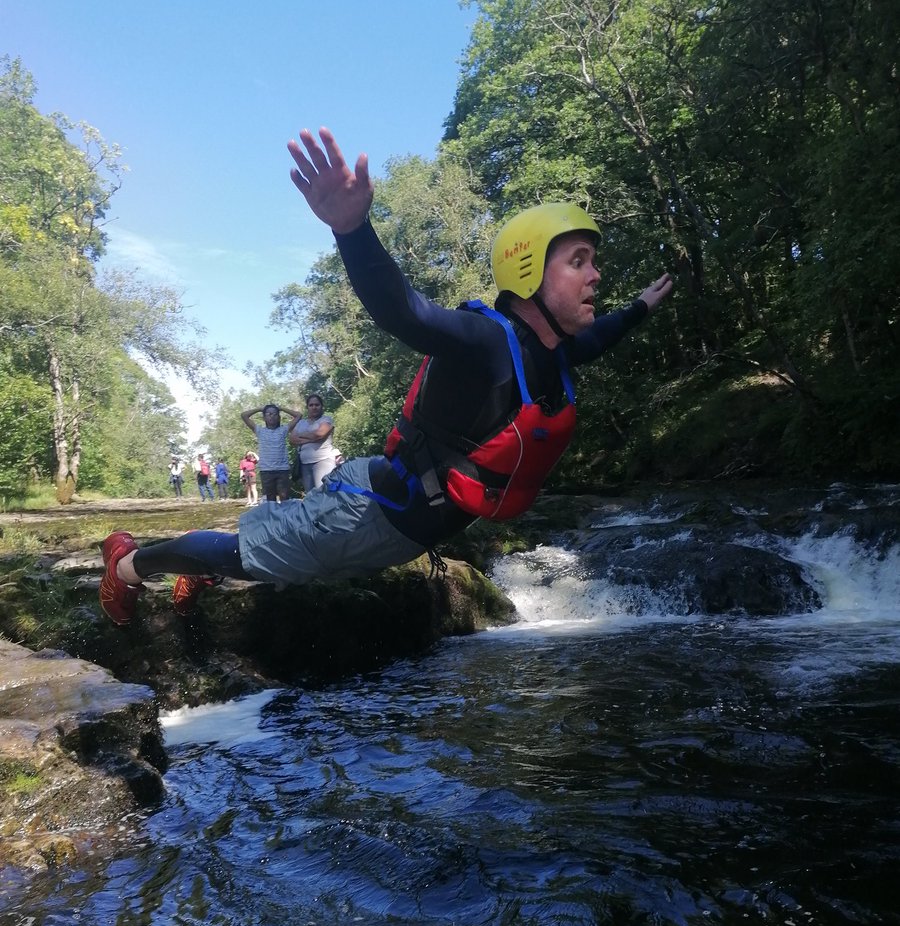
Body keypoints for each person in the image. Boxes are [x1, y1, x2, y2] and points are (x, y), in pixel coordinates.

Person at [98, 126, 672, 625]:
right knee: (242, 555)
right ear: (528, 271)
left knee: (252, 557)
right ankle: (124, 562)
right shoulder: (484, 342)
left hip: (399, 529)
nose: (596, 275)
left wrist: (642, 307)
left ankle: (195, 570)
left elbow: (597, 340)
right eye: (579, 261)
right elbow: (404, 311)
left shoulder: (549, 356)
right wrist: (352, 231)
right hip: (367, 515)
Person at [242, 403, 303, 502]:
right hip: (266, 471)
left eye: (275, 414)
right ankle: (272, 517)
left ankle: (285, 517)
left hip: (282, 470)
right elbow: (244, 415)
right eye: (269, 414)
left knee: (285, 500)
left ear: (279, 417)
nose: (272, 416)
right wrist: (260, 408)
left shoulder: (283, 430)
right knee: (270, 501)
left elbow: (299, 415)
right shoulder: (260, 431)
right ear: (264, 417)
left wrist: (281, 408)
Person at [289, 393, 338, 492]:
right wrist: (312, 438)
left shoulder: (326, 419)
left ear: (321, 406)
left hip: (323, 461)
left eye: (317, 405)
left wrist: (303, 435)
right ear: (307, 407)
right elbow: (292, 440)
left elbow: (320, 434)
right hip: (304, 464)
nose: (314, 407)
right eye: (311, 405)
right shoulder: (300, 423)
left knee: (325, 493)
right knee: (310, 495)